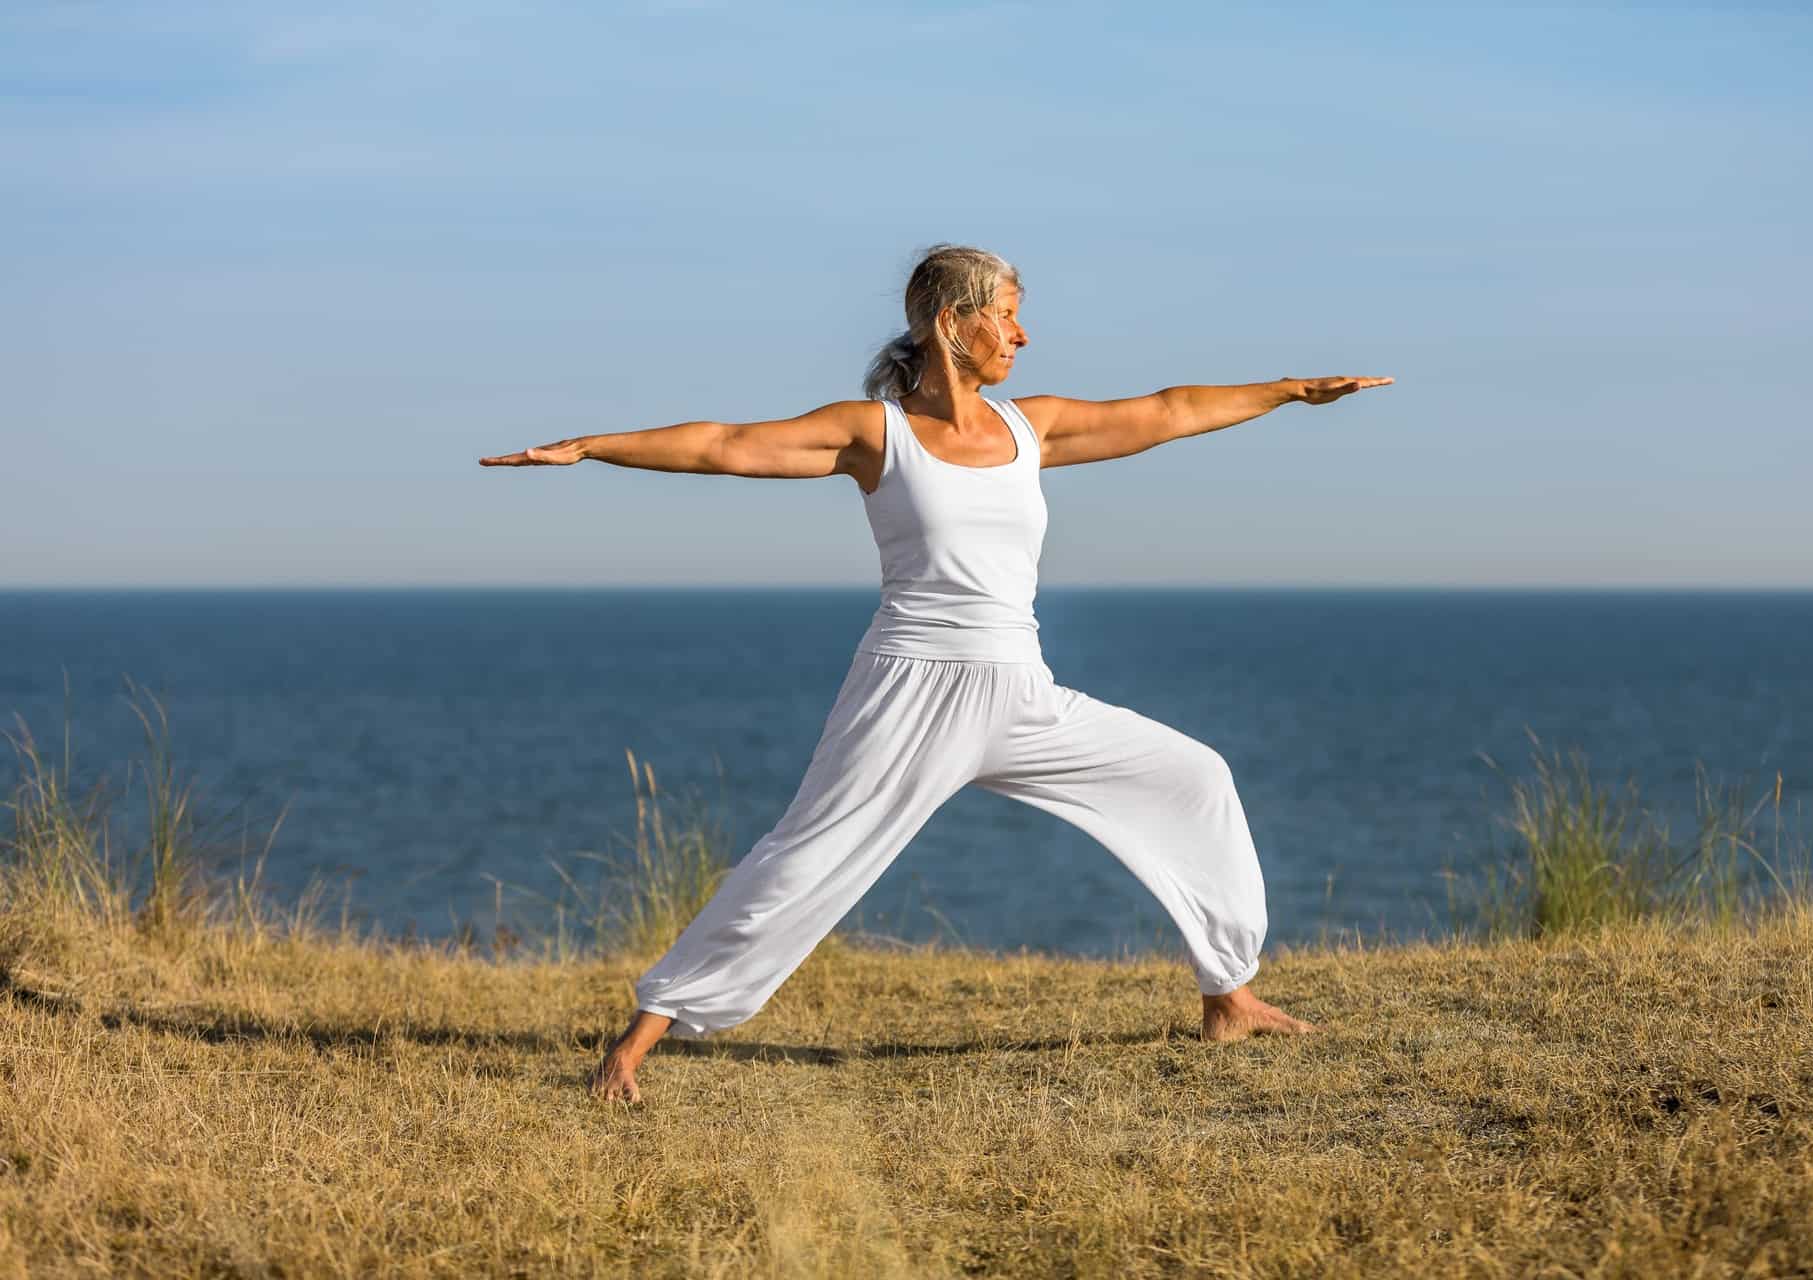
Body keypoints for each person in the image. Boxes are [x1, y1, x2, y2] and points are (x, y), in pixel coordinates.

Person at [479, 244, 1393, 1102]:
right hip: (911, 688)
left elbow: (1165, 411)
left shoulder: (1030, 429)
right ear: (953, 324)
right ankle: (638, 1041)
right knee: (809, 854)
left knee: (1195, 777)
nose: (1023, 335)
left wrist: (1286, 391)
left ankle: (1228, 997)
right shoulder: (874, 434)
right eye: (1009, 315)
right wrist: (592, 445)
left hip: (1022, 690)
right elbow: (722, 442)